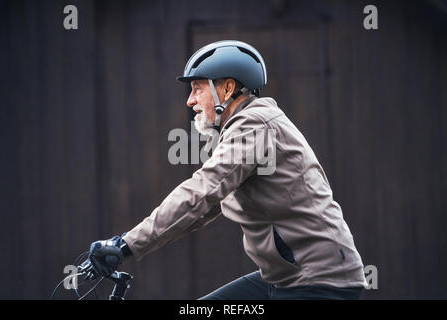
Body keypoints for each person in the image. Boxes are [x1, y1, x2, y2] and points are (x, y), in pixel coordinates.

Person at [87, 40, 367, 300]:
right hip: (283, 278)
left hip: (320, 282)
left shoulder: (255, 124)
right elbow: (203, 207)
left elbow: (202, 191)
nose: (190, 100)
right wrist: (132, 245)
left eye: (197, 88)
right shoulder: (239, 130)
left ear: (227, 89)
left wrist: (125, 245)